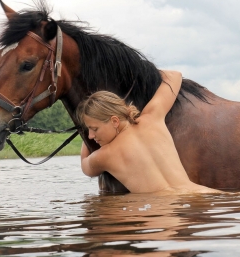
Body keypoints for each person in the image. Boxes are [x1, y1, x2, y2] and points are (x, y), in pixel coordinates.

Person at [77, 70, 220, 194]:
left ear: (115, 121)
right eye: (88, 130)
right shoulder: (152, 118)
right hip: (204, 193)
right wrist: (135, 73)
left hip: (164, 210)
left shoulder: (105, 155)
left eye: (94, 129)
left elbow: (85, 166)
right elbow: (174, 75)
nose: (90, 136)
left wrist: (84, 141)